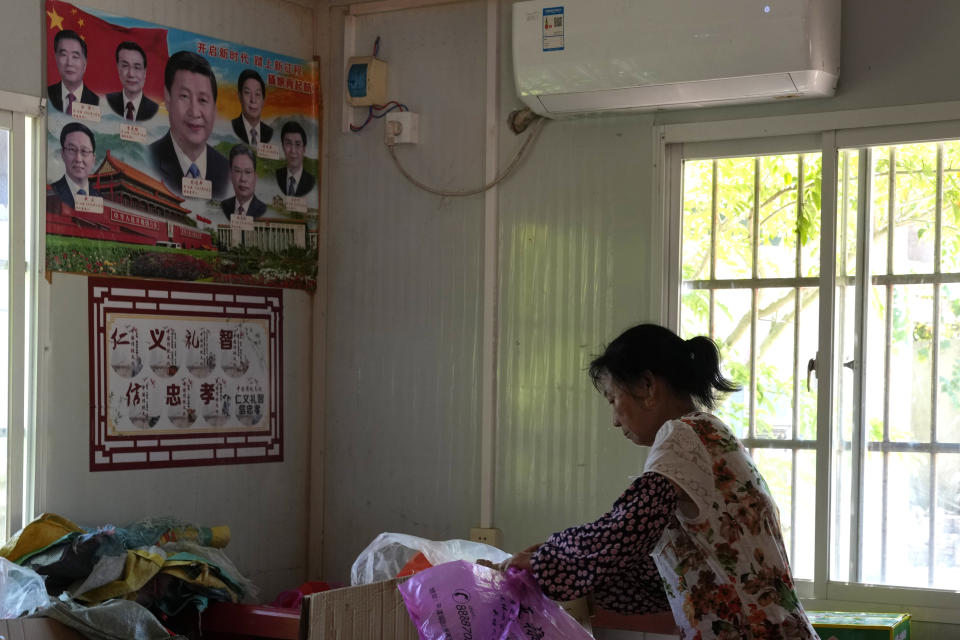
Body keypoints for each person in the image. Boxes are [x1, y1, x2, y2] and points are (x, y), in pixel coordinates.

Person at [503, 324, 817, 638]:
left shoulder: (680, 436)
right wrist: (556, 559)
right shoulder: (712, 432)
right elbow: (670, 572)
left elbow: (625, 528)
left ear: (648, 385)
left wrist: (551, 558)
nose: (614, 419)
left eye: (613, 399)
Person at [149, 51, 229, 199]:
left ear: (214, 108)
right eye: (184, 96)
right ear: (167, 98)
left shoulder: (227, 171)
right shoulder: (148, 159)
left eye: (203, 100)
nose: (194, 112)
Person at [49, 122, 102, 208]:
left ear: (93, 159)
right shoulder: (51, 193)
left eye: (84, 151)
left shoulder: (100, 198)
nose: (78, 159)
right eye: (72, 150)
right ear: (63, 154)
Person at [47, 30, 100, 114]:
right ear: (56, 59)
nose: (69, 63)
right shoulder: (47, 94)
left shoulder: (98, 102)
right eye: (64, 55)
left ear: (85, 64)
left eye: (75, 56)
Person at [106, 42, 159, 121]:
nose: (131, 74)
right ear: (118, 68)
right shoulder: (107, 101)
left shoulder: (155, 110)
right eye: (125, 66)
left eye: (137, 67)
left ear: (145, 72)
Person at [221, 145, 267, 219]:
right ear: (230, 175)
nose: (243, 179)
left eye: (248, 172)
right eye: (238, 171)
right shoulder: (223, 206)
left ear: (255, 177)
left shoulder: (264, 210)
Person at [231, 69, 273, 144]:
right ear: (240, 96)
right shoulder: (232, 127)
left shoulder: (270, 133)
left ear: (263, 100)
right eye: (247, 93)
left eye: (257, 94)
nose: (253, 100)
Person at [274, 121, 315, 197]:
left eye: (298, 144)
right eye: (288, 143)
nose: (293, 151)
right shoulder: (275, 176)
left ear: (304, 149)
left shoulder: (312, 182)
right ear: (283, 147)